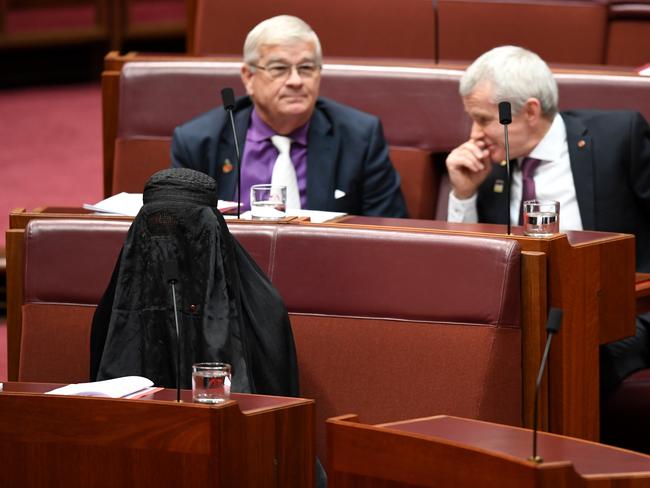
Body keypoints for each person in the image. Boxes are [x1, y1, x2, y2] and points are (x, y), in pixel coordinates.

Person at [445, 45, 650, 397]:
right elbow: (467, 268)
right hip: (526, 316)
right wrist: (463, 195)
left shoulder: (618, 138)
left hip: (623, 311)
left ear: (529, 111)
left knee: (568, 354)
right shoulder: (490, 167)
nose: (473, 133)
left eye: (482, 119)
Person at [170, 15, 407, 217]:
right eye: (279, 69)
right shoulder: (198, 141)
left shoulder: (359, 138)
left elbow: (389, 232)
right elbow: (181, 235)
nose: (295, 81)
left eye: (306, 68)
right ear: (248, 77)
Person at [90, 168, 299, 397]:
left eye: (186, 230)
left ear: (213, 229)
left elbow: (273, 414)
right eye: (157, 227)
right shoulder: (111, 311)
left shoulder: (263, 313)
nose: (169, 247)